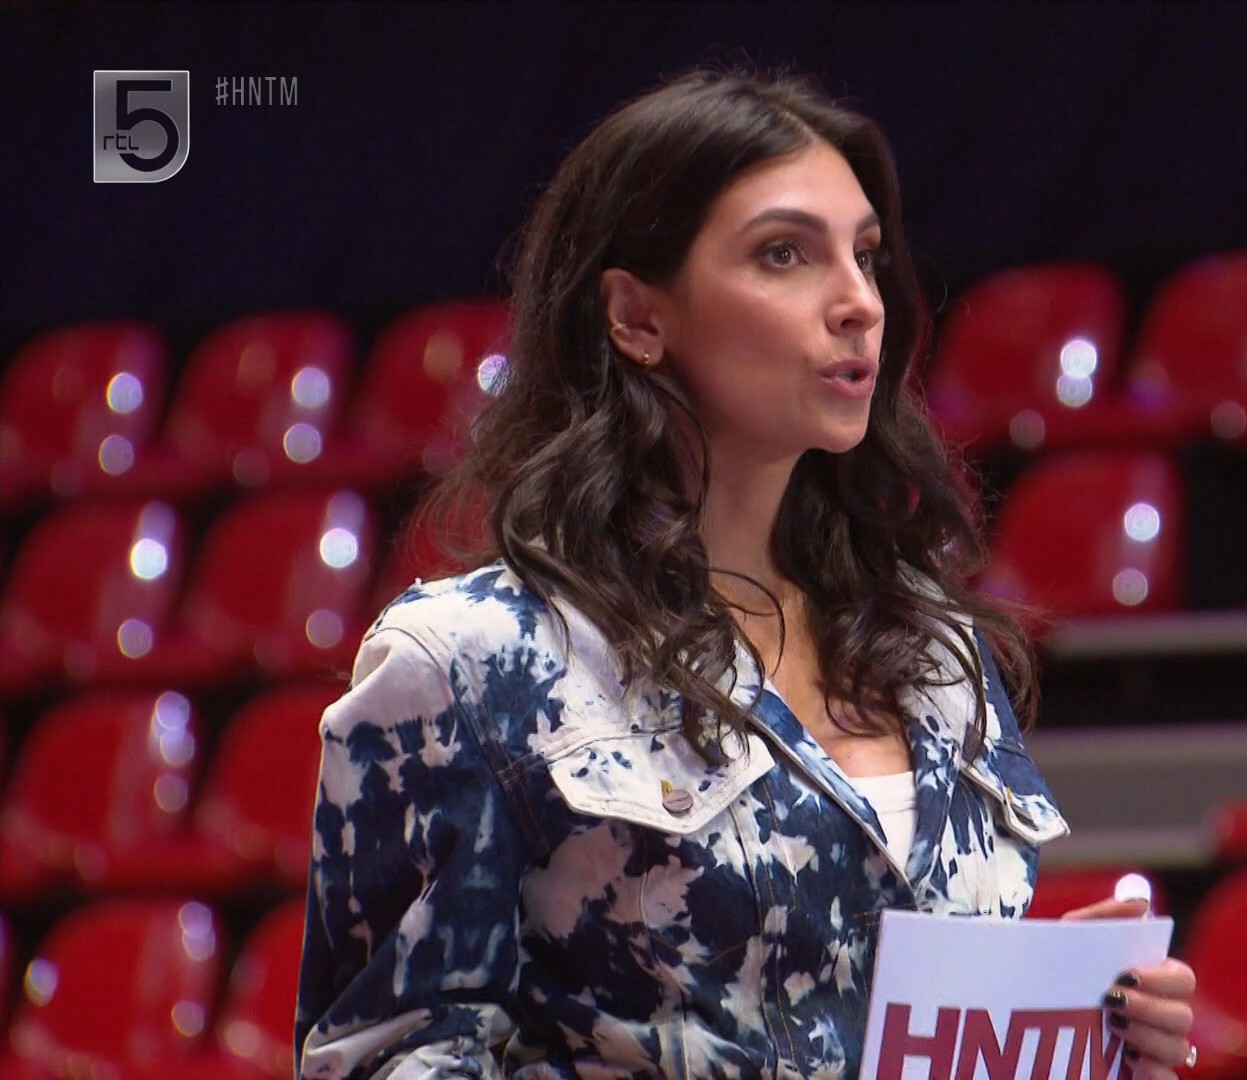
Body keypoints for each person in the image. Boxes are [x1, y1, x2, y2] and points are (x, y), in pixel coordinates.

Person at [295, 66, 1198, 1079]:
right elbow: (391, 1058)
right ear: (637, 317)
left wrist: (1084, 1032)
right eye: (785, 254)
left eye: (866, 256)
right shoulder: (468, 660)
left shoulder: (933, 647)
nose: (858, 303)